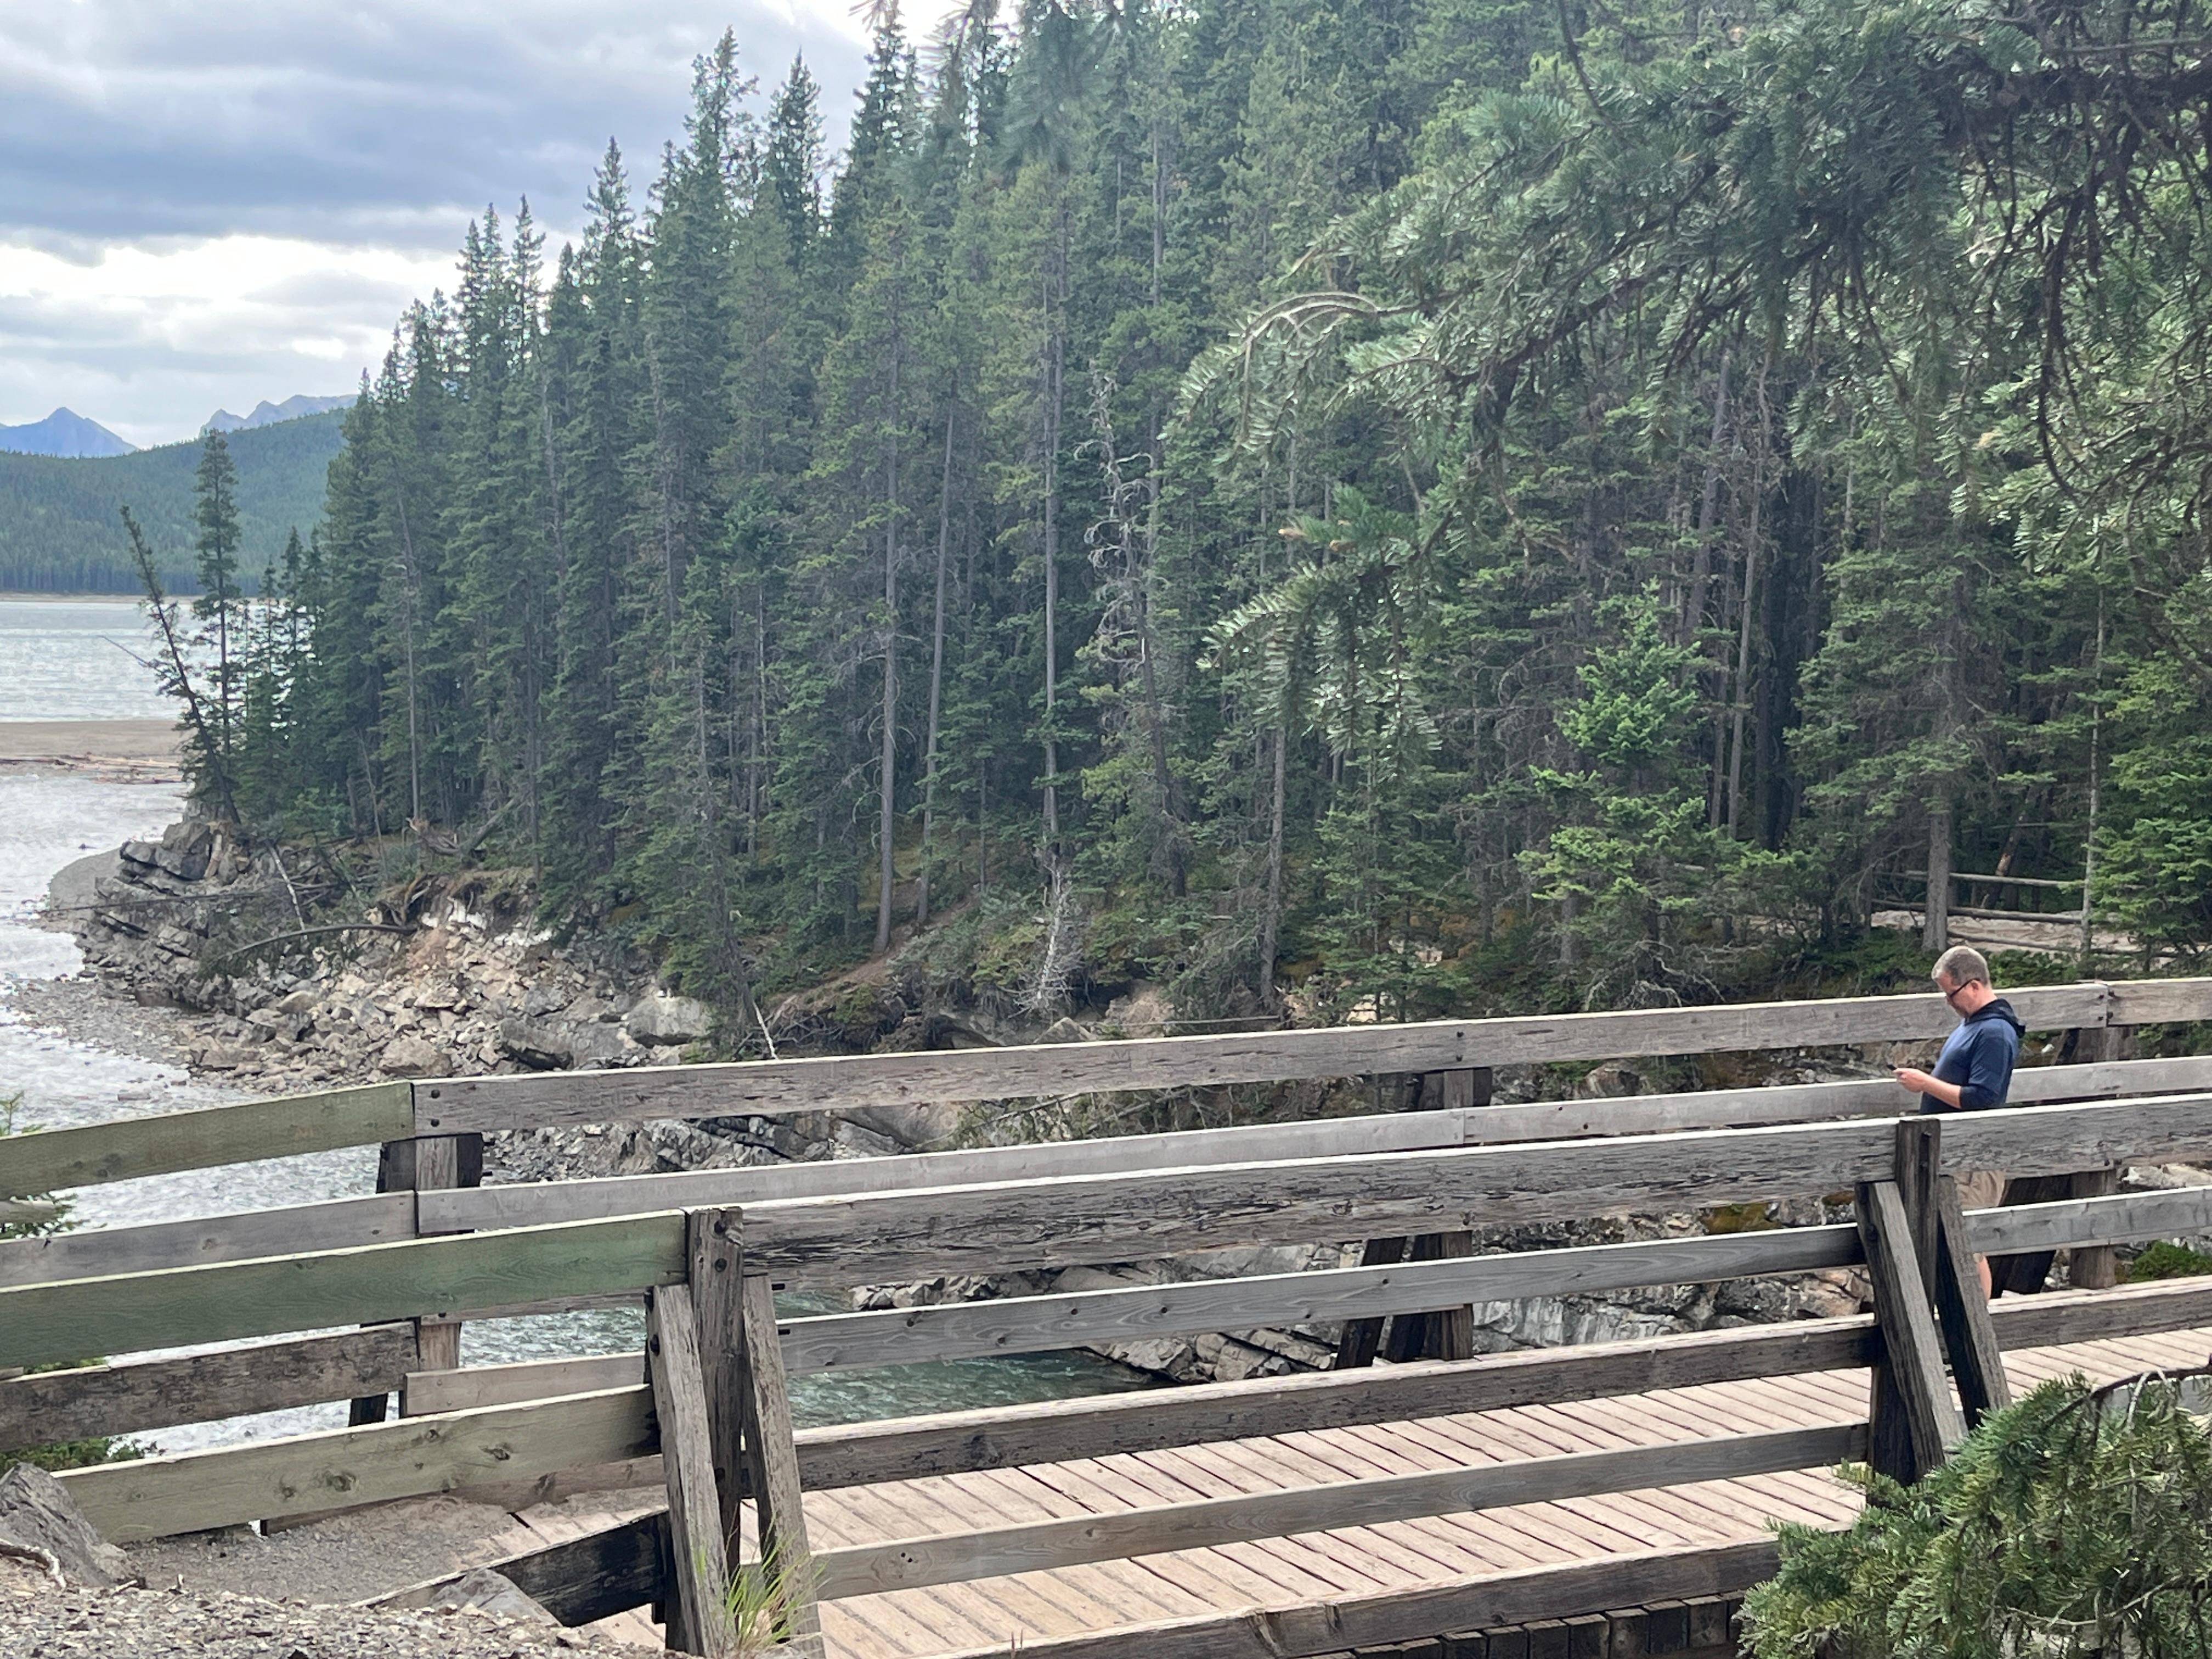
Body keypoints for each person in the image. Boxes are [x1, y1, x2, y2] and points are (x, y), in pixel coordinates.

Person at [1895, 944, 2025, 1294]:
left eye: (1950, 994)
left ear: (1973, 986)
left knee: (1967, 1245)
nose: (1948, 1002)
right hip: (1955, 1154)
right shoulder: (1974, 1025)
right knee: (1956, 1242)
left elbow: (1983, 1098)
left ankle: (1978, 1332)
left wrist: (1925, 1083)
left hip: (1976, 1160)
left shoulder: (1995, 1033)